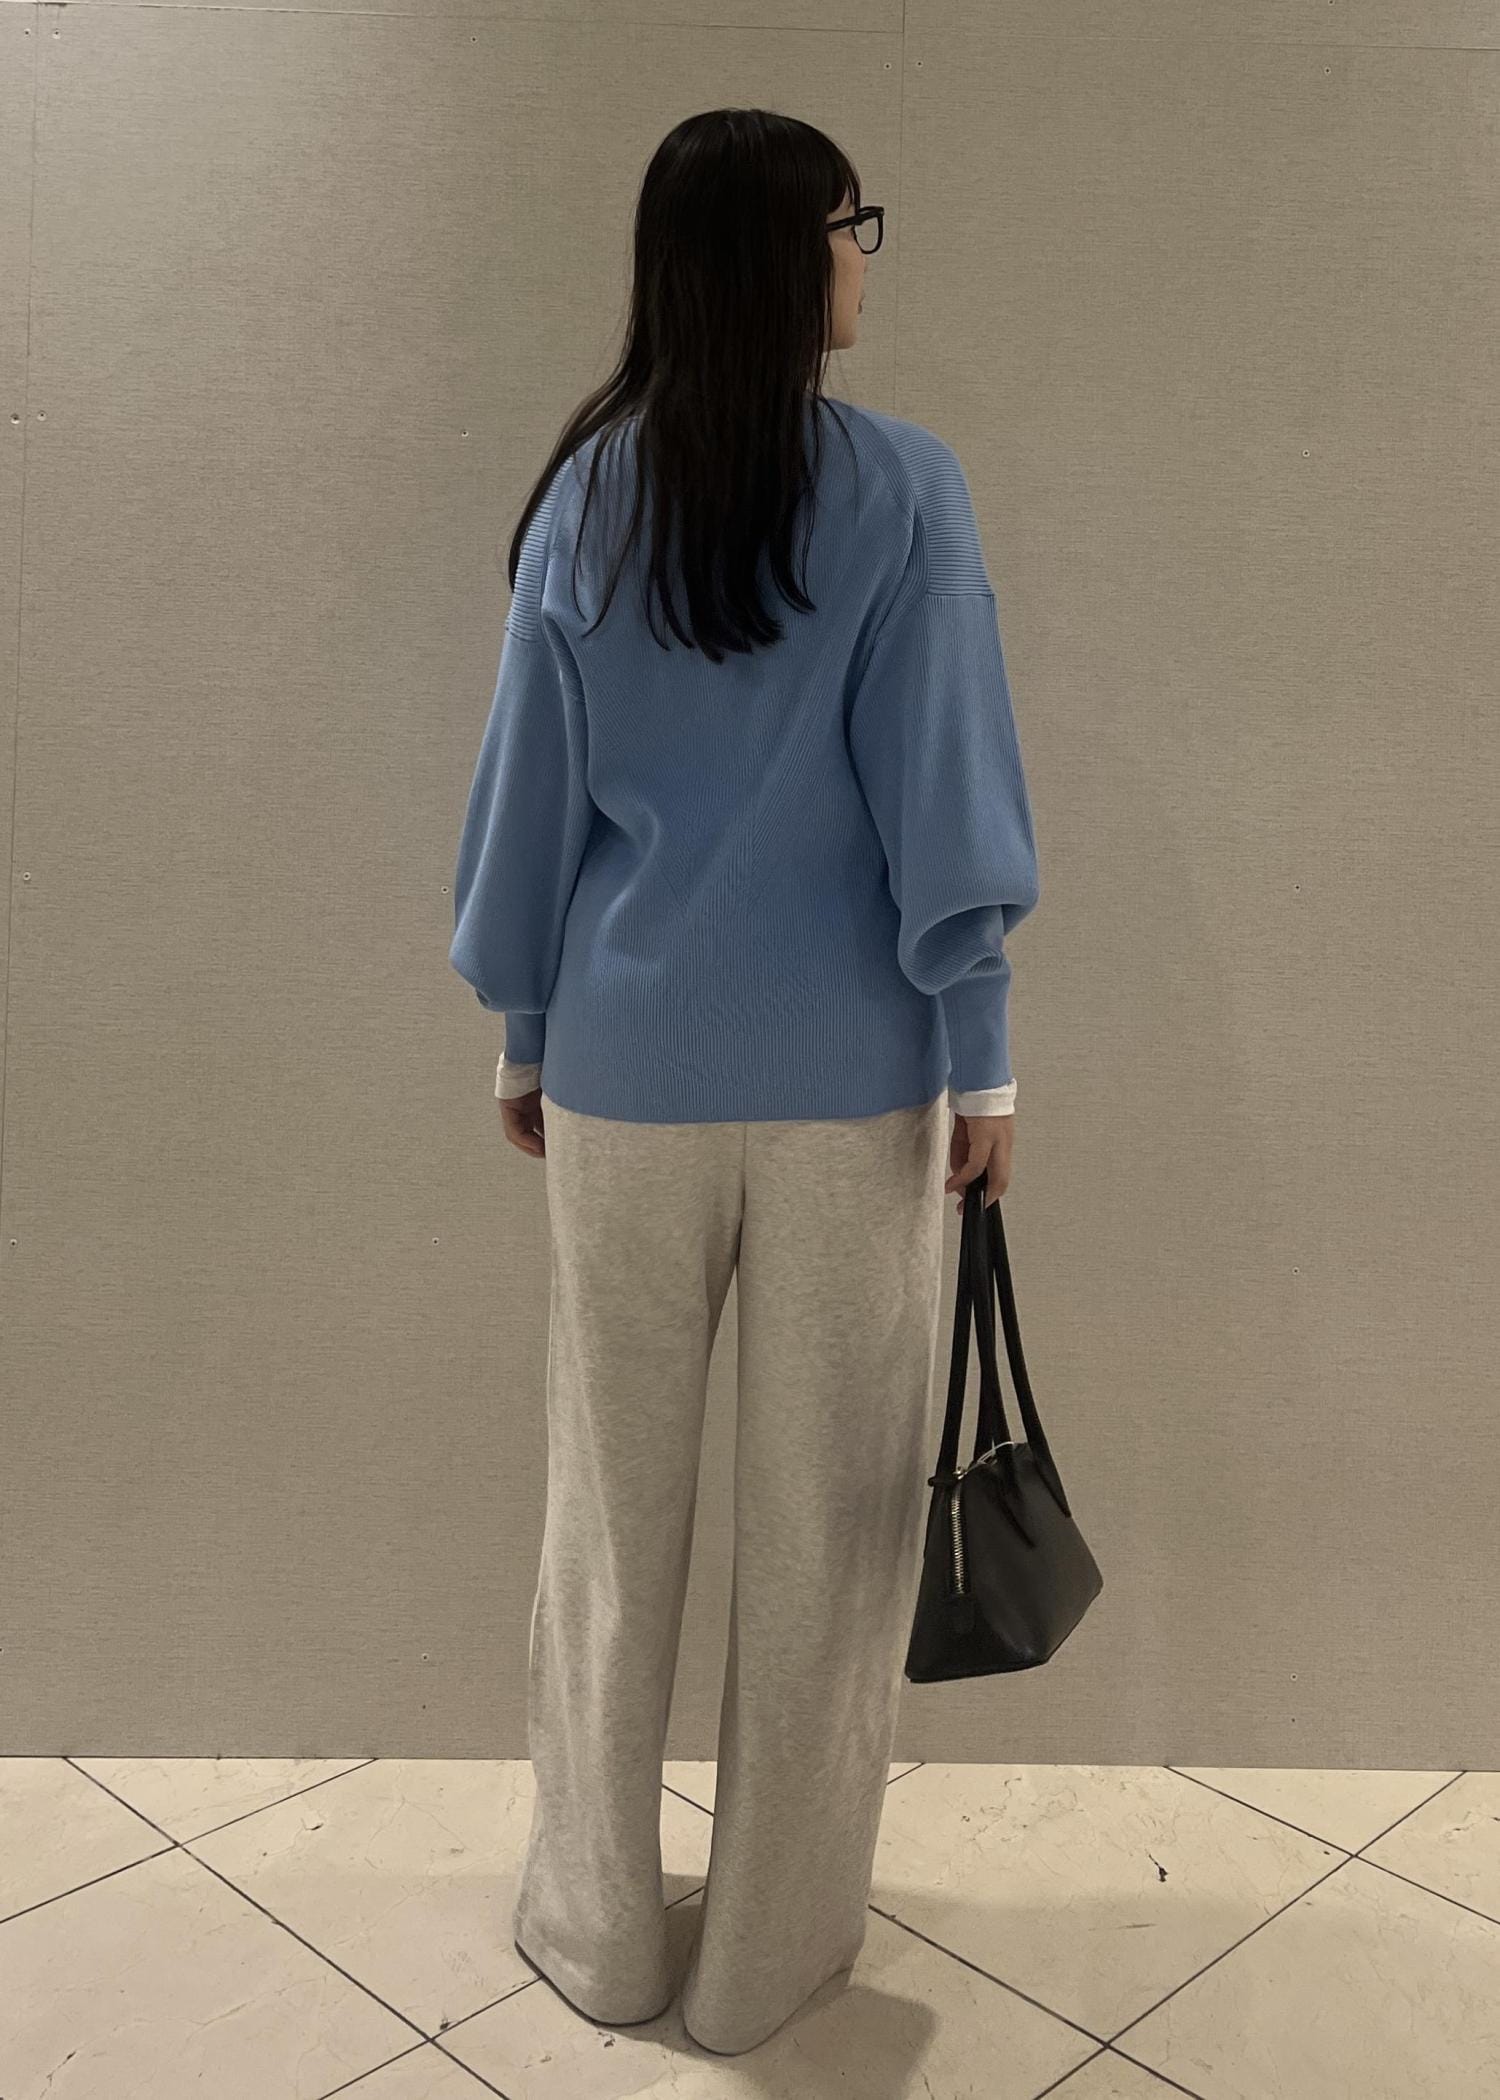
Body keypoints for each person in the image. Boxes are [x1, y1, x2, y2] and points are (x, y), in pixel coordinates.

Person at [448, 107, 1040, 2057]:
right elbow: (946, 800)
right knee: (823, 1536)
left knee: (608, 1522)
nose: (867, 253)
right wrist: (983, 1060)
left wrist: (527, 1031)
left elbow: (528, 806)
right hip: (855, 1081)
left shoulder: (584, 496)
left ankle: (599, 1933)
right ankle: (769, 1956)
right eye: (853, 223)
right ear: (790, 254)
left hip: (625, 1076)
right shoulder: (906, 490)